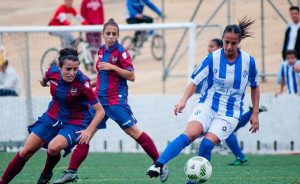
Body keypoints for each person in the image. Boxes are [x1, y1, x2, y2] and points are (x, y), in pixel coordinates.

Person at [53, 18, 168, 184]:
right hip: (99, 101)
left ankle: (160, 164)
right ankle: (71, 172)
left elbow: (132, 76)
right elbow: (101, 76)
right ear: (103, 35)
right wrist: (87, 86)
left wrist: (113, 67)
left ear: (118, 35)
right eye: (108, 33)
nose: (111, 37)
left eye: (114, 34)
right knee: (85, 134)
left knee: (134, 133)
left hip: (116, 101)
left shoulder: (121, 53)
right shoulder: (100, 50)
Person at [146, 17, 260, 183]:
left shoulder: (248, 62)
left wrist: (255, 113)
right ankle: (159, 164)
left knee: (206, 145)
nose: (229, 47)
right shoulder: (211, 58)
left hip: (230, 113)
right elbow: (193, 83)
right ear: (222, 39)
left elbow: (255, 86)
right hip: (207, 105)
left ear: (239, 42)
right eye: (226, 42)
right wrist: (183, 101)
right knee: (191, 134)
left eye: (233, 43)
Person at [0, 48, 105, 184]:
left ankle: (46, 174)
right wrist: (43, 83)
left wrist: (88, 130)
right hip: (52, 117)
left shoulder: (83, 82)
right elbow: (45, 80)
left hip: (74, 122)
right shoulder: (52, 71)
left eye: (75, 69)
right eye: (68, 69)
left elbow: (100, 111)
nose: (72, 73)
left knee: (54, 148)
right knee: (25, 152)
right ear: (59, 66)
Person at [195, 39, 267, 166]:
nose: (209, 49)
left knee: (226, 131)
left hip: (228, 107)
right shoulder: (212, 61)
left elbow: (252, 84)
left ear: (219, 46)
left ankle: (241, 157)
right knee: (227, 131)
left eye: (211, 46)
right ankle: (241, 156)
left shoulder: (239, 62)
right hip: (214, 105)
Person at [80, 0, 105, 71]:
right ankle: (91, 64)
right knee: (92, 47)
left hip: (97, 27)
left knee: (99, 47)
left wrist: (101, 25)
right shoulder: (85, 1)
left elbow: (101, 13)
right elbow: (82, 14)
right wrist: (86, 25)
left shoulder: (99, 1)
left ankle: (97, 64)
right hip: (89, 28)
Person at [278, 6, 300, 84]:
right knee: (284, 77)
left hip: (297, 57)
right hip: (288, 56)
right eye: (292, 14)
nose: (294, 15)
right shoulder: (289, 27)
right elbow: (285, 41)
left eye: (296, 13)